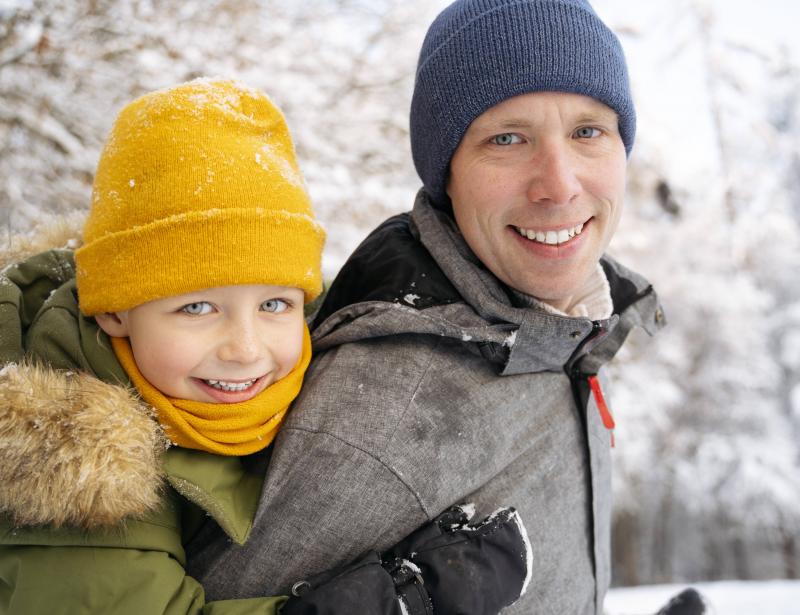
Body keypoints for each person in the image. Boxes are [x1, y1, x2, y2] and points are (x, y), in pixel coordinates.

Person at [188, 2, 699, 614]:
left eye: (588, 131)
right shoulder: (390, 402)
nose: (559, 185)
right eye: (507, 139)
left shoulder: (567, 331)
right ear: (446, 172)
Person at [0, 79, 530, 614]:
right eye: (197, 307)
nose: (246, 349)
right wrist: (406, 601)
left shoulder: (214, 385)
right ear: (113, 309)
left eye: (274, 304)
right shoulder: (71, 477)